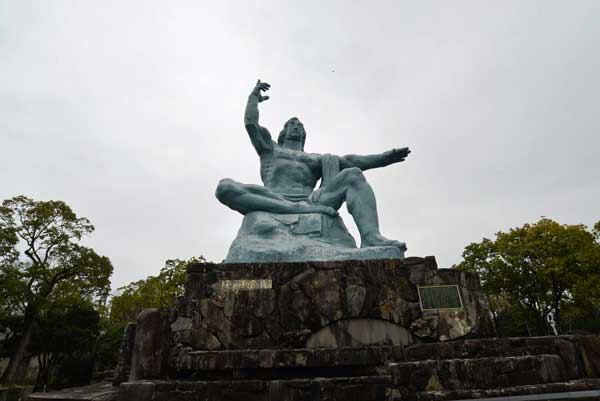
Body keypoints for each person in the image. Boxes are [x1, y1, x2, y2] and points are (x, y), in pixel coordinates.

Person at [216, 80, 410, 250]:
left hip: (312, 201)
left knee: (353, 174)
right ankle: (293, 209)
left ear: (304, 134)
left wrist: (384, 158)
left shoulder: (316, 159)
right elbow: (251, 124)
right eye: (291, 124)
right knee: (225, 187)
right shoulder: (270, 149)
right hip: (273, 198)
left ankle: (371, 238)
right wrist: (253, 98)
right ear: (282, 133)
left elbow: (350, 161)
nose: (296, 126)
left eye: (300, 125)